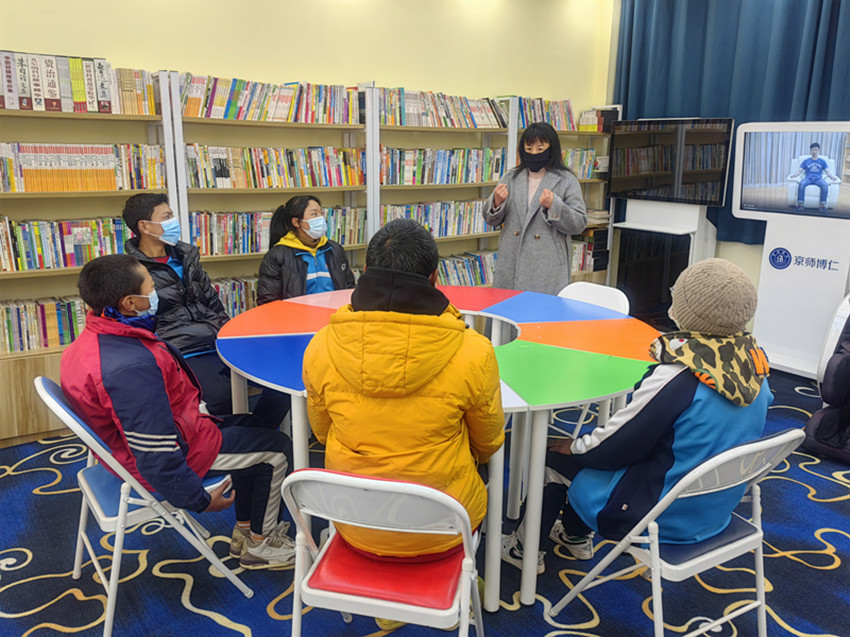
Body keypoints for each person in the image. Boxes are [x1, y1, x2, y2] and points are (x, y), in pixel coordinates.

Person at [502, 258, 773, 574]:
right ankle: (574, 536)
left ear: (685, 311)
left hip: (656, 514)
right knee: (597, 451)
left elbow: (617, 445)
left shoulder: (677, 378)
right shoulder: (755, 371)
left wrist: (574, 446)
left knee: (553, 456)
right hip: (712, 509)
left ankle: (523, 550)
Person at [60, 254, 296, 569]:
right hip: (175, 453)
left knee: (255, 425)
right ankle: (261, 545)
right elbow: (156, 454)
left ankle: (245, 529)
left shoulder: (101, 337)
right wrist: (199, 500)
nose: (156, 292)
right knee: (278, 450)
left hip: (175, 430)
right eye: (150, 287)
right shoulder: (130, 369)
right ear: (130, 303)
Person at [302, 218, 505, 558]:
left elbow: (322, 432)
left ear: (366, 272)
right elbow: (488, 441)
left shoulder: (321, 345)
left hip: (353, 520)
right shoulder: (475, 351)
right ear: (434, 278)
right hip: (444, 528)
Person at [122, 193, 289, 424]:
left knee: (283, 377)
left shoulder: (186, 257)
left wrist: (229, 334)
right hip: (183, 351)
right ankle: (244, 436)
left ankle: (260, 431)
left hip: (218, 340)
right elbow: (138, 323)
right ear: (145, 226)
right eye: (167, 217)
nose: (174, 222)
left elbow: (212, 301)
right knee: (222, 397)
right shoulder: (131, 271)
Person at [481, 121, 587, 294]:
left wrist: (554, 205)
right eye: (529, 148)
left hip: (547, 265)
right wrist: (496, 203)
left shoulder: (566, 180)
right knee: (508, 306)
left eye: (540, 148)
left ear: (552, 149)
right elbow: (490, 219)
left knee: (541, 309)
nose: (534, 153)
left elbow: (579, 223)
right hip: (511, 260)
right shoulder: (511, 177)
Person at [256, 195, 355, 304]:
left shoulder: (334, 249)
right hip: (296, 314)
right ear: (296, 222)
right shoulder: (277, 256)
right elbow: (268, 301)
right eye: (314, 214)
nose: (321, 218)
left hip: (336, 312)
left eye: (321, 213)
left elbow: (349, 287)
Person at [788, 142, 841, 212]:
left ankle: (822, 206)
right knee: (801, 184)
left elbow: (827, 171)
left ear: (819, 150)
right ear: (810, 150)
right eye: (813, 150)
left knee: (825, 185)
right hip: (808, 178)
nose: (814, 151)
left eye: (816, 150)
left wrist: (832, 177)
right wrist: (794, 175)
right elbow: (799, 170)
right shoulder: (806, 161)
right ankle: (800, 205)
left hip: (818, 179)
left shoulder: (822, 161)